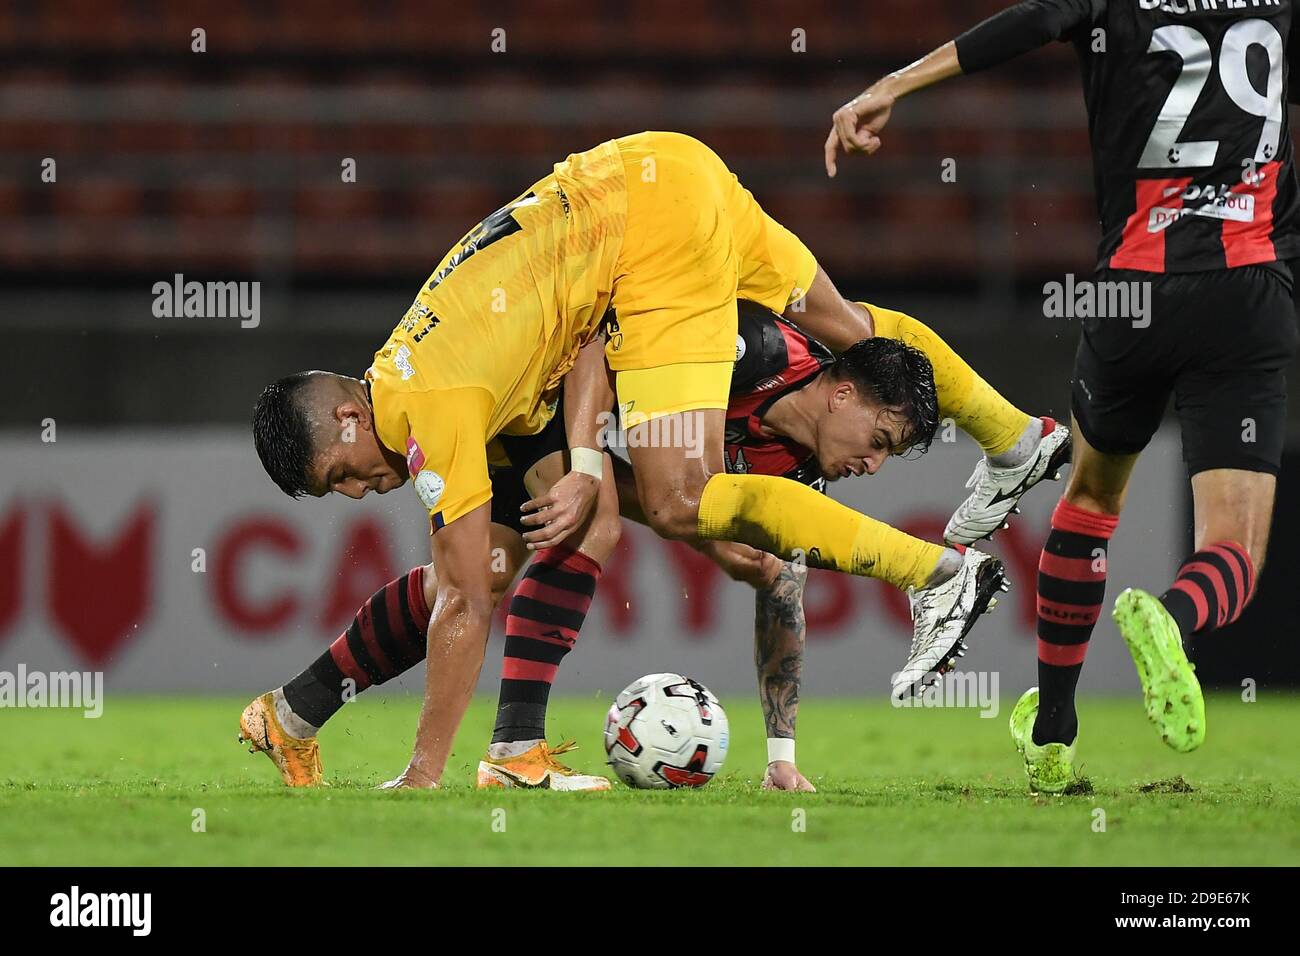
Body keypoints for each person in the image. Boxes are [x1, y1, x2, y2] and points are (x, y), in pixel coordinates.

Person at [250, 131, 1061, 788]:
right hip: (663, 177)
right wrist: (593, 471)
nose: (358, 493)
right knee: (559, 535)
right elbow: (584, 350)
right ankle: (1015, 438)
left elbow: (463, 599)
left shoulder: (436, 407)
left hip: (653, 225)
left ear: (350, 416)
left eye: (341, 475)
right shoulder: (427, 382)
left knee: (674, 499)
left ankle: (940, 573)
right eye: (341, 493)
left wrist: (421, 776)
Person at [827, 1, 1300, 792]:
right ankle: (1172, 620)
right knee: (1234, 551)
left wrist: (894, 85)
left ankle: (1051, 729)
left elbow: (1028, 23)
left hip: (1131, 298)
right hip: (1246, 294)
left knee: (1088, 504)